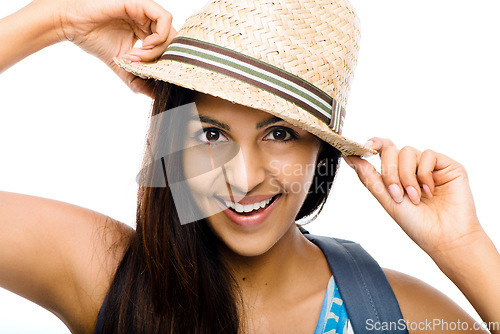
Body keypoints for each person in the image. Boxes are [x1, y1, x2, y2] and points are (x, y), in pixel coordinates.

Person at [0, 0, 499, 333]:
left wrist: (463, 248)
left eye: (280, 133)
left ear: (321, 151)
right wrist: (55, 20)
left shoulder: (395, 315)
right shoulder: (106, 274)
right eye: (211, 134)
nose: (243, 178)